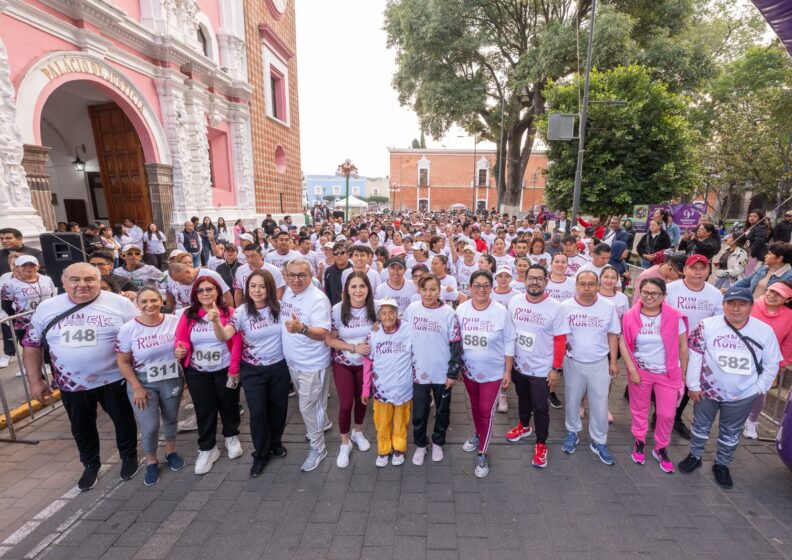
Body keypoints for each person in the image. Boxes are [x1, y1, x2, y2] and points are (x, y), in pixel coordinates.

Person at [22, 263, 139, 491]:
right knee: (81, 426)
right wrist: (35, 381)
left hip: (114, 378)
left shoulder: (120, 303)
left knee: (123, 419)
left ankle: (129, 456)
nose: (82, 284)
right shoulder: (47, 308)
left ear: (99, 281)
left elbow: (138, 334)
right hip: (71, 383)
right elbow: (31, 345)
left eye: (89, 279)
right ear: (63, 283)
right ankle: (90, 464)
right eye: (75, 280)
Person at [678, 286, 781, 488]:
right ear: (723, 305)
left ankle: (722, 464)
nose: (735, 309)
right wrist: (693, 385)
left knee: (730, 431)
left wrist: (759, 388)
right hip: (707, 391)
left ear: (751, 306)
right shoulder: (706, 325)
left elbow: (772, 364)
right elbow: (695, 356)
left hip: (743, 394)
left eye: (742, 304)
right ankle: (694, 455)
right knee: (700, 426)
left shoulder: (764, 331)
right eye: (730, 303)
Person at [210, 269, 290, 477]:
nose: (257, 290)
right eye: (253, 286)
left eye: (262, 286)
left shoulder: (281, 308)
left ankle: (275, 443)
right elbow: (224, 336)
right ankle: (260, 454)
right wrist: (216, 321)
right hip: (253, 371)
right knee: (258, 412)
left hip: (279, 367)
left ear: (270, 288)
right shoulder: (241, 312)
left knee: (278, 408)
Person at [115, 288, 184, 486]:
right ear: (137, 304)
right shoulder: (128, 328)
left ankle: (171, 451)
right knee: (150, 425)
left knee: (171, 418)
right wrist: (137, 387)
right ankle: (151, 460)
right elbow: (123, 362)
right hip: (143, 382)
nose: (149, 305)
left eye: (154, 300)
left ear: (161, 301)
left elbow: (184, 343)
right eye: (144, 301)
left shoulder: (174, 321)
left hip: (171, 377)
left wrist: (182, 352)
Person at [174, 276, 243, 475]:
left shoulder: (230, 312)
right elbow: (181, 338)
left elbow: (237, 342)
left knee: (229, 404)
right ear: (195, 294)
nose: (205, 293)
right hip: (198, 371)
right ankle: (207, 447)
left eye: (209, 289)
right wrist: (180, 349)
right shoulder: (189, 314)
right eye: (200, 290)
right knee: (204, 409)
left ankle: (231, 435)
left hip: (224, 369)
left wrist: (234, 368)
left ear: (217, 291)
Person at [620, 278, 688, 473]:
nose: (649, 297)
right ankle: (639, 440)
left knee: (667, 414)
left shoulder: (674, 316)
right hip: (640, 372)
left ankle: (661, 447)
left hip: (668, 373)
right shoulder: (629, 316)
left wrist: (683, 372)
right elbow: (623, 342)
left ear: (663, 295)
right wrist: (632, 370)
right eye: (645, 292)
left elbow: (683, 346)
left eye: (655, 293)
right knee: (639, 409)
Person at [456, 270, 515, 478]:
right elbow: (456, 340)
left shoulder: (500, 311)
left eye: (485, 285)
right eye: (477, 285)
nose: (481, 289)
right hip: (469, 371)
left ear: (491, 288)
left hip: (494, 372)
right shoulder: (461, 310)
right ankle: (478, 434)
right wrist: (457, 367)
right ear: (470, 287)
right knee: (474, 406)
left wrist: (508, 370)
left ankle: (482, 452)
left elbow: (509, 340)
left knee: (485, 409)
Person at [558, 271, 621, 465]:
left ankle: (599, 441)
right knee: (572, 400)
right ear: (576, 286)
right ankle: (572, 432)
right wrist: (558, 363)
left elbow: (613, 334)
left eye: (591, 284)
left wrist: (613, 361)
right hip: (573, 362)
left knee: (600, 403)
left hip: (599, 363)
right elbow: (559, 336)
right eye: (582, 284)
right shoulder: (564, 307)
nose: (587, 288)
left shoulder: (608, 307)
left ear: (598, 285)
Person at [506, 264, 565, 467]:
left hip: (542, 369)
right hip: (519, 365)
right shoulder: (515, 301)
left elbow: (560, 340)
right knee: (523, 400)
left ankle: (541, 443)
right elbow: (509, 332)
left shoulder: (556, 307)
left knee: (540, 408)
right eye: (531, 278)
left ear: (546, 282)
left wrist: (556, 369)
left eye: (539, 279)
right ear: (524, 280)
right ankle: (524, 426)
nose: (535, 282)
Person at [403, 274, 463, 465]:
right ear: (419, 290)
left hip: (442, 373)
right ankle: (421, 444)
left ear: (439, 290)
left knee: (442, 411)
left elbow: (456, 344)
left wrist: (452, 372)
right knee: (419, 413)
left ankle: (438, 442)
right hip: (418, 371)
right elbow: (400, 334)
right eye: (424, 289)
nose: (428, 293)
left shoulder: (449, 313)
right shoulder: (412, 309)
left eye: (433, 289)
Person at [281, 258, 333, 472]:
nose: (296, 279)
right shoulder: (288, 292)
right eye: (292, 275)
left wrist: (302, 329)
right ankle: (324, 423)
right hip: (294, 362)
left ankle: (318, 448)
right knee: (314, 406)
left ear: (311, 276)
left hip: (312, 364)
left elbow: (323, 333)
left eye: (302, 275)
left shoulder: (318, 299)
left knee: (308, 407)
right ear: (285, 276)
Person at [665, 255, 724, 439]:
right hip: (669, 346)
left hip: (696, 350)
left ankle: (675, 417)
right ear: (685, 270)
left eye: (702, 268)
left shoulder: (715, 294)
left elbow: (719, 323)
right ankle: (661, 415)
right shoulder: (670, 289)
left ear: (708, 271)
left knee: (687, 383)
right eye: (693, 268)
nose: (698, 272)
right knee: (666, 384)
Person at [326, 272, 376, 468]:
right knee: (346, 405)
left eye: (362, 286)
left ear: (368, 289)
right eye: (353, 286)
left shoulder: (376, 307)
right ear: (346, 289)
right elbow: (329, 340)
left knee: (362, 400)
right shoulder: (337, 309)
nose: (358, 290)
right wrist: (354, 348)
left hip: (367, 365)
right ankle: (345, 443)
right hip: (343, 363)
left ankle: (358, 432)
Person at [361, 298, 413, 467]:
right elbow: (367, 362)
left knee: (401, 421)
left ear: (397, 314)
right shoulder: (373, 333)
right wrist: (365, 388)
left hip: (403, 388)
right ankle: (383, 450)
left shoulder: (408, 329)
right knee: (382, 422)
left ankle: (399, 448)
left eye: (391, 312)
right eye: (383, 313)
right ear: (379, 316)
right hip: (381, 389)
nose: (388, 316)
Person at [743, 280, 792, 439]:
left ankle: (752, 421)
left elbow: (789, 342)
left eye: (779, 294)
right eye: (771, 291)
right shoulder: (751, 305)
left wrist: (781, 363)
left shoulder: (790, 316)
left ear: (788, 299)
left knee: (760, 392)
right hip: (741, 355)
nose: (772, 295)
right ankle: (734, 418)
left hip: (767, 361)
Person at [165, 262, 232, 312]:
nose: (180, 283)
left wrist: (230, 315)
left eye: (182, 280)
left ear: (188, 272)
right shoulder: (179, 281)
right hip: (197, 317)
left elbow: (227, 295)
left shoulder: (210, 274)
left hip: (217, 312)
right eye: (177, 281)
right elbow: (187, 303)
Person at [740, 209, 770, 277]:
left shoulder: (761, 227)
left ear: (760, 218)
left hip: (753, 255)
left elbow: (758, 241)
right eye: (750, 216)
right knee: (742, 271)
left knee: (748, 273)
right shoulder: (748, 227)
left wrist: (749, 252)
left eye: (755, 216)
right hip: (744, 253)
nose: (752, 218)